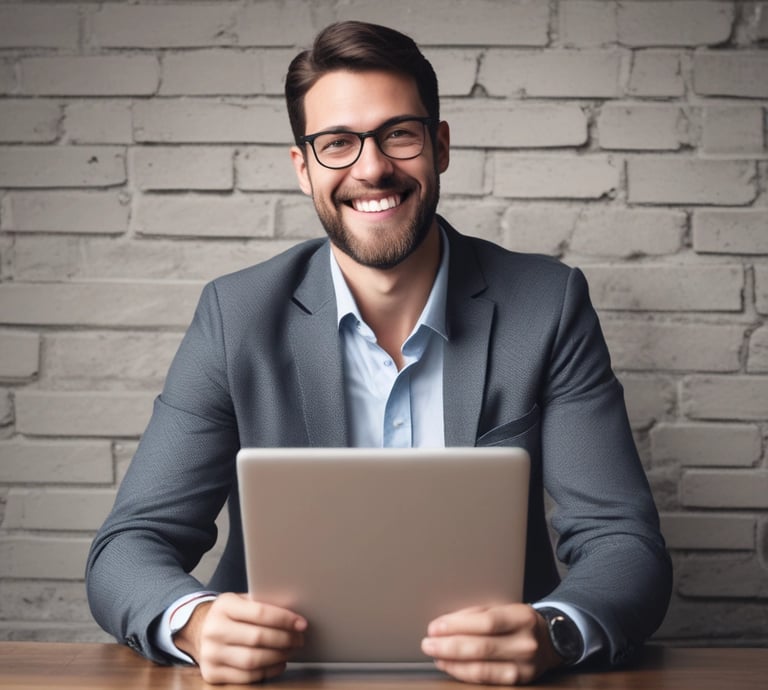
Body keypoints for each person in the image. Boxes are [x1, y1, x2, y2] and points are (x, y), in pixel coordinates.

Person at [86, 20, 672, 686]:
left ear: (439, 146)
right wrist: (194, 623)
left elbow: (624, 542)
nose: (371, 168)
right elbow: (128, 547)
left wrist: (555, 632)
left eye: (398, 134)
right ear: (303, 169)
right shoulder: (235, 316)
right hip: (283, 679)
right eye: (337, 143)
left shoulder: (547, 305)